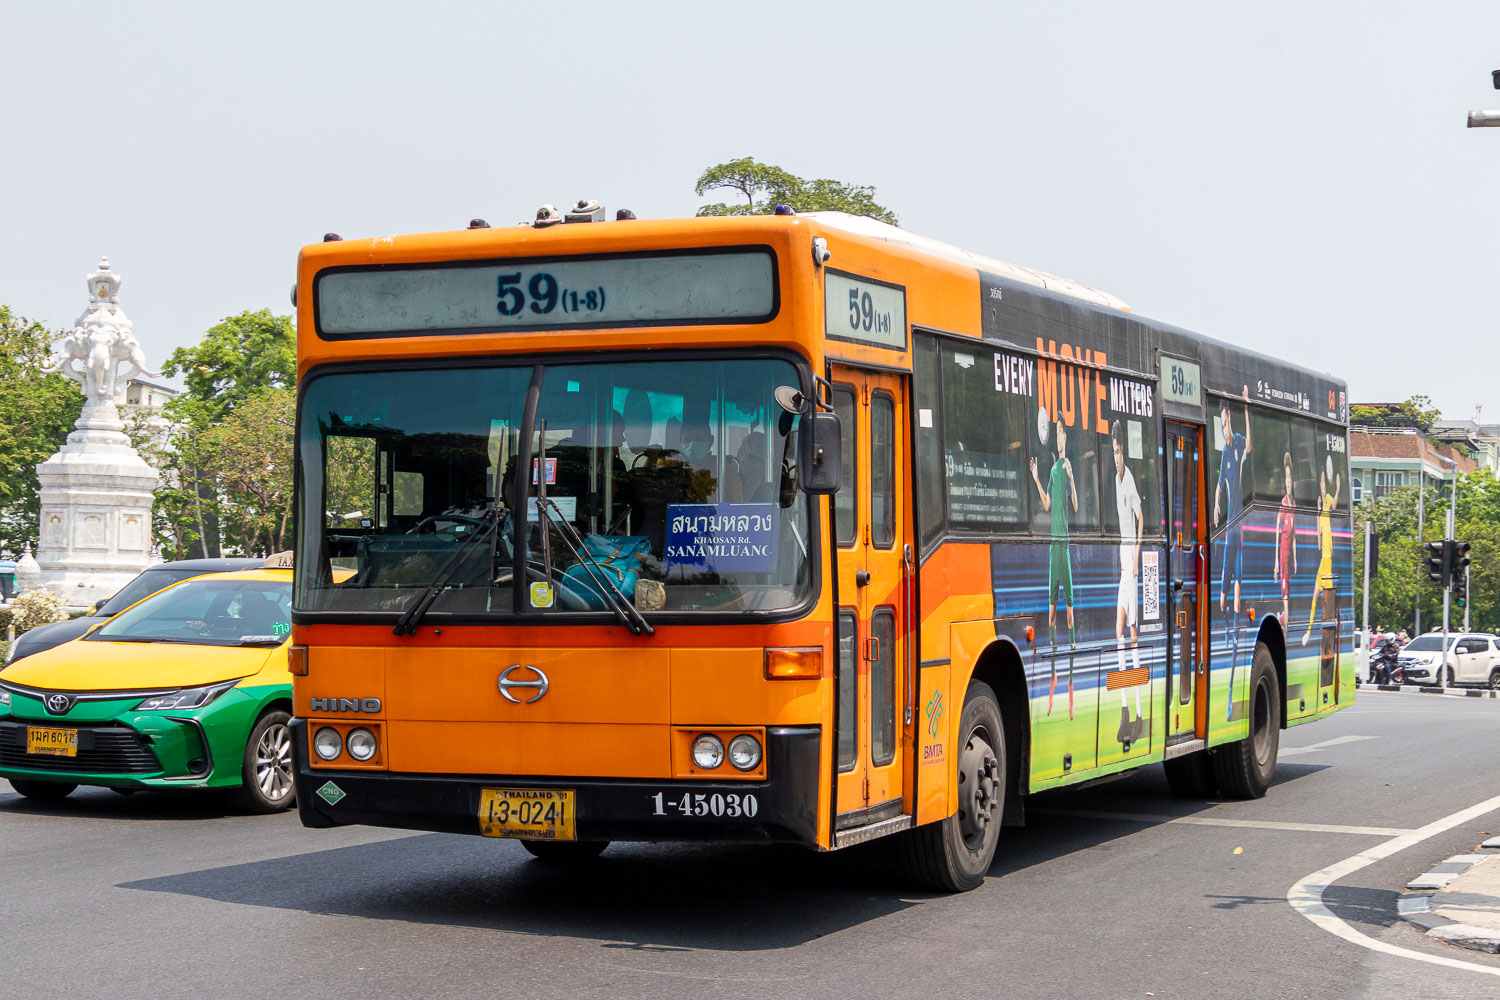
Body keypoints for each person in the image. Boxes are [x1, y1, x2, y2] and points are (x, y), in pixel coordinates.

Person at [1030, 418, 1078, 718]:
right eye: (1056, 433)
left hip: (1065, 548)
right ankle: (1054, 674)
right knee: (1051, 613)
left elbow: (1074, 506)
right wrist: (1036, 477)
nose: (1058, 438)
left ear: (1066, 438)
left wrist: (1073, 478)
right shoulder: (1051, 470)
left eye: (1061, 433)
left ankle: (1071, 680)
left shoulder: (1068, 467)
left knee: (1070, 613)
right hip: (1052, 548)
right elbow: (1047, 505)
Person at [1212, 386, 1252, 718]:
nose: (1225, 429)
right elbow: (1219, 483)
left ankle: (1235, 629)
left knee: (1237, 581)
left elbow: (1249, 446)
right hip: (1227, 526)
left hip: (1240, 524)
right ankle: (1227, 623)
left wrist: (1247, 408)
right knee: (1222, 592)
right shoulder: (1223, 453)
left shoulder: (1238, 442)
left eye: (1226, 423)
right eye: (1222, 424)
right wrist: (1214, 504)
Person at [1111, 420, 1145, 748]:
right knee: (1119, 634)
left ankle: (1138, 713)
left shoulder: (1129, 479)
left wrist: (1136, 553)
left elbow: (1140, 516)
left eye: (1119, 451)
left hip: (1130, 566)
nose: (1116, 458)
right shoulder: (1115, 478)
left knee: (1132, 639)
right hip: (1122, 562)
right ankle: (1125, 709)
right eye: (1114, 453)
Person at [1302, 458, 1342, 646]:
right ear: (1320, 484)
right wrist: (1318, 511)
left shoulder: (1327, 500)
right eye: (1322, 482)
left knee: (1324, 596)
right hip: (1323, 556)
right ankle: (1309, 631)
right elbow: (1318, 541)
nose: (1324, 485)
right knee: (1316, 596)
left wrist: (1339, 487)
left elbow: (1334, 506)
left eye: (1326, 481)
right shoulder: (1320, 505)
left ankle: (1324, 628)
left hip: (1328, 557)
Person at [1272, 452, 1297, 626]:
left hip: (1289, 557)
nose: (1288, 483)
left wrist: (1295, 558)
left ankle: (1283, 619)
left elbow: (1294, 534)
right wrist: (1276, 563)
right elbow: (1276, 530)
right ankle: (1283, 619)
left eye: (1290, 479)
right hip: (1282, 554)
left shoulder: (1293, 503)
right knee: (1285, 594)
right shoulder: (1283, 503)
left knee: (1288, 593)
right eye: (1286, 479)